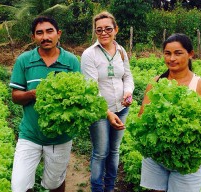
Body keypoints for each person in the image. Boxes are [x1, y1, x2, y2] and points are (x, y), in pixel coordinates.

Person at [9, 16, 81, 192]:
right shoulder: (24, 60)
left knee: (54, 183)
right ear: (34, 37)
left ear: (58, 34)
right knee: (18, 186)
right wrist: (31, 94)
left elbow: (79, 96)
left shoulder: (71, 61)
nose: (45, 37)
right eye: (39, 33)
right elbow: (15, 96)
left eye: (49, 31)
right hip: (30, 135)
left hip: (60, 138)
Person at [138, 33, 201, 192]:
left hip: (186, 159)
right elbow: (142, 117)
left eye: (178, 53)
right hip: (156, 156)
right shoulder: (156, 83)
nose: (171, 58)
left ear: (190, 54)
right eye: (167, 53)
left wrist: (184, 139)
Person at [81, 11, 135, 192]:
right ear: (95, 32)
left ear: (116, 30)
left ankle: (110, 187)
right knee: (101, 152)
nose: (104, 33)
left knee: (114, 151)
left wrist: (128, 93)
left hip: (122, 109)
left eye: (108, 29)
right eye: (99, 30)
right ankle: (97, 188)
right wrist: (107, 112)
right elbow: (91, 88)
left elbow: (127, 76)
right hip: (100, 112)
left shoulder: (121, 51)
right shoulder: (90, 54)